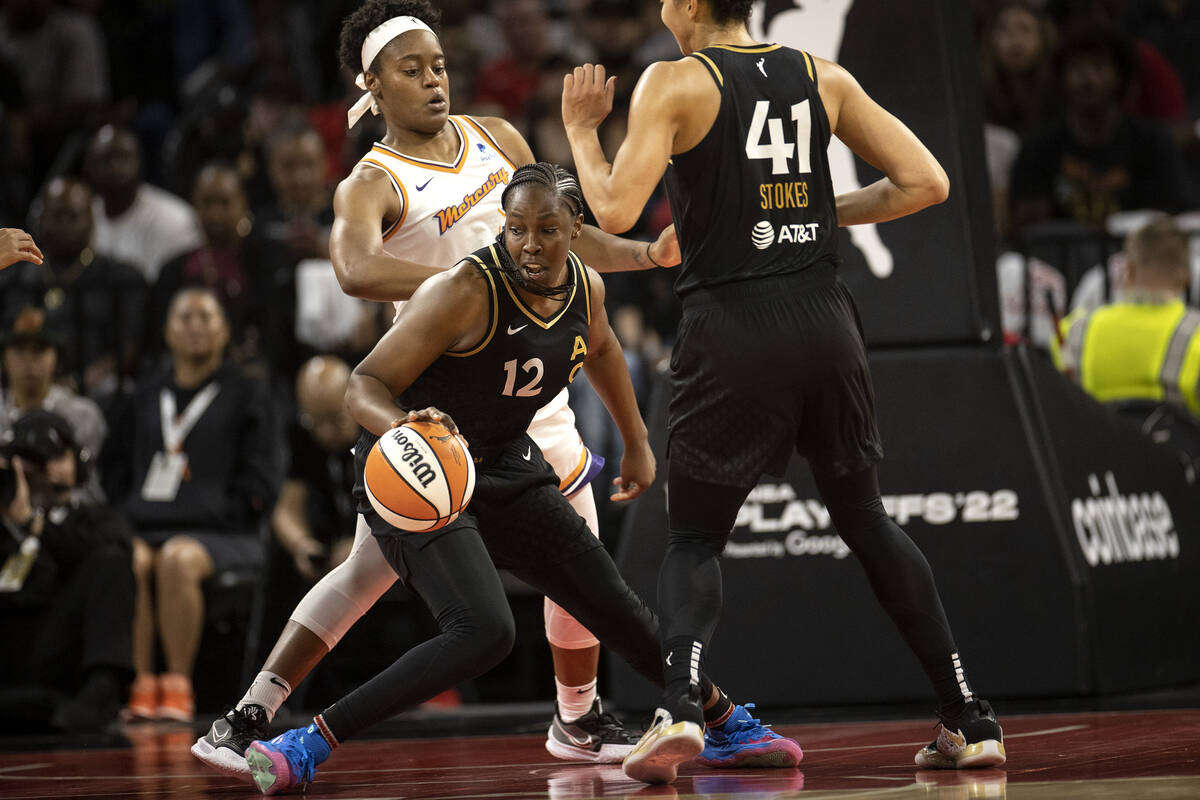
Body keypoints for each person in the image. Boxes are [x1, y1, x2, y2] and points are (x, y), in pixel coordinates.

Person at [192, 0, 690, 776]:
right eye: (412, 71)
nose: (433, 82)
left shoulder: (498, 137)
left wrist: (644, 254)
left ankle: (578, 719)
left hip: (536, 390)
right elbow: (353, 268)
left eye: (439, 67)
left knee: (580, 559)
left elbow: (565, 237)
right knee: (367, 568)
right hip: (437, 402)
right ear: (374, 86)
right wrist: (476, 290)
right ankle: (247, 714)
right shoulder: (373, 180)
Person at [243, 163, 799, 795]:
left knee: (606, 597)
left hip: (504, 457)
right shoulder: (464, 290)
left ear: (574, 231)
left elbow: (606, 349)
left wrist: (640, 445)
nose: (530, 245)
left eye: (547, 230)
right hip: (417, 462)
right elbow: (362, 384)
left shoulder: (584, 287)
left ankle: (722, 720)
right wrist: (403, 425)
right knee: (485, 632)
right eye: (516, 230)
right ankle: (306, 741)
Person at [560, 0, 1005, 783]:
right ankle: (969, 716)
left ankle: (679, 708)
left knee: (695, 539)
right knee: (865, 519)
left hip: (732, 325)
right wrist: (818, 218)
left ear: (693, 6)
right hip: (827, 323)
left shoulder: (673, 81)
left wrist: (579, 132)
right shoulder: (820, 75)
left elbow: (615, 208)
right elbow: (926, 182)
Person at [103, 287, 282, 723]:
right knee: (132, 558)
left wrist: (217, 508)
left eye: (206, 317)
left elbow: (263, 478)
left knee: (177, 559)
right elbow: (113, 467)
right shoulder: (145, 394)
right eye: (185, 317)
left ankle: (178, 687)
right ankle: (143, 684)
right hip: (149, 525)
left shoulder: (249, 393)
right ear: (166, 331)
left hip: (225, 534)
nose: (196, 326)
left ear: (224, 331)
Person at [0, 410, 133, 733]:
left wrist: (33, 524)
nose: (49, 469)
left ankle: (103, 689)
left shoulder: (92, 518)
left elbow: (115, 552)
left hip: (58, 647)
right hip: (9, 644)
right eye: (36, 461)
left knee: (110, 560)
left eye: (59, 456)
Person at [1054, 216, 1200, 414]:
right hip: (1177, 444)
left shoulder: (1074, 330)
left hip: (1095, 442)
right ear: (1187, 276)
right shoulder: (1195, 335)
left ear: (1128, 270)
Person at [84, 123, 203, 284]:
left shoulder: (176, 218)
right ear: (89, 167)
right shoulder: (80, 217)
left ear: (140, 162)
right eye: (106, 159)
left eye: (124, 157)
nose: (115, 167)